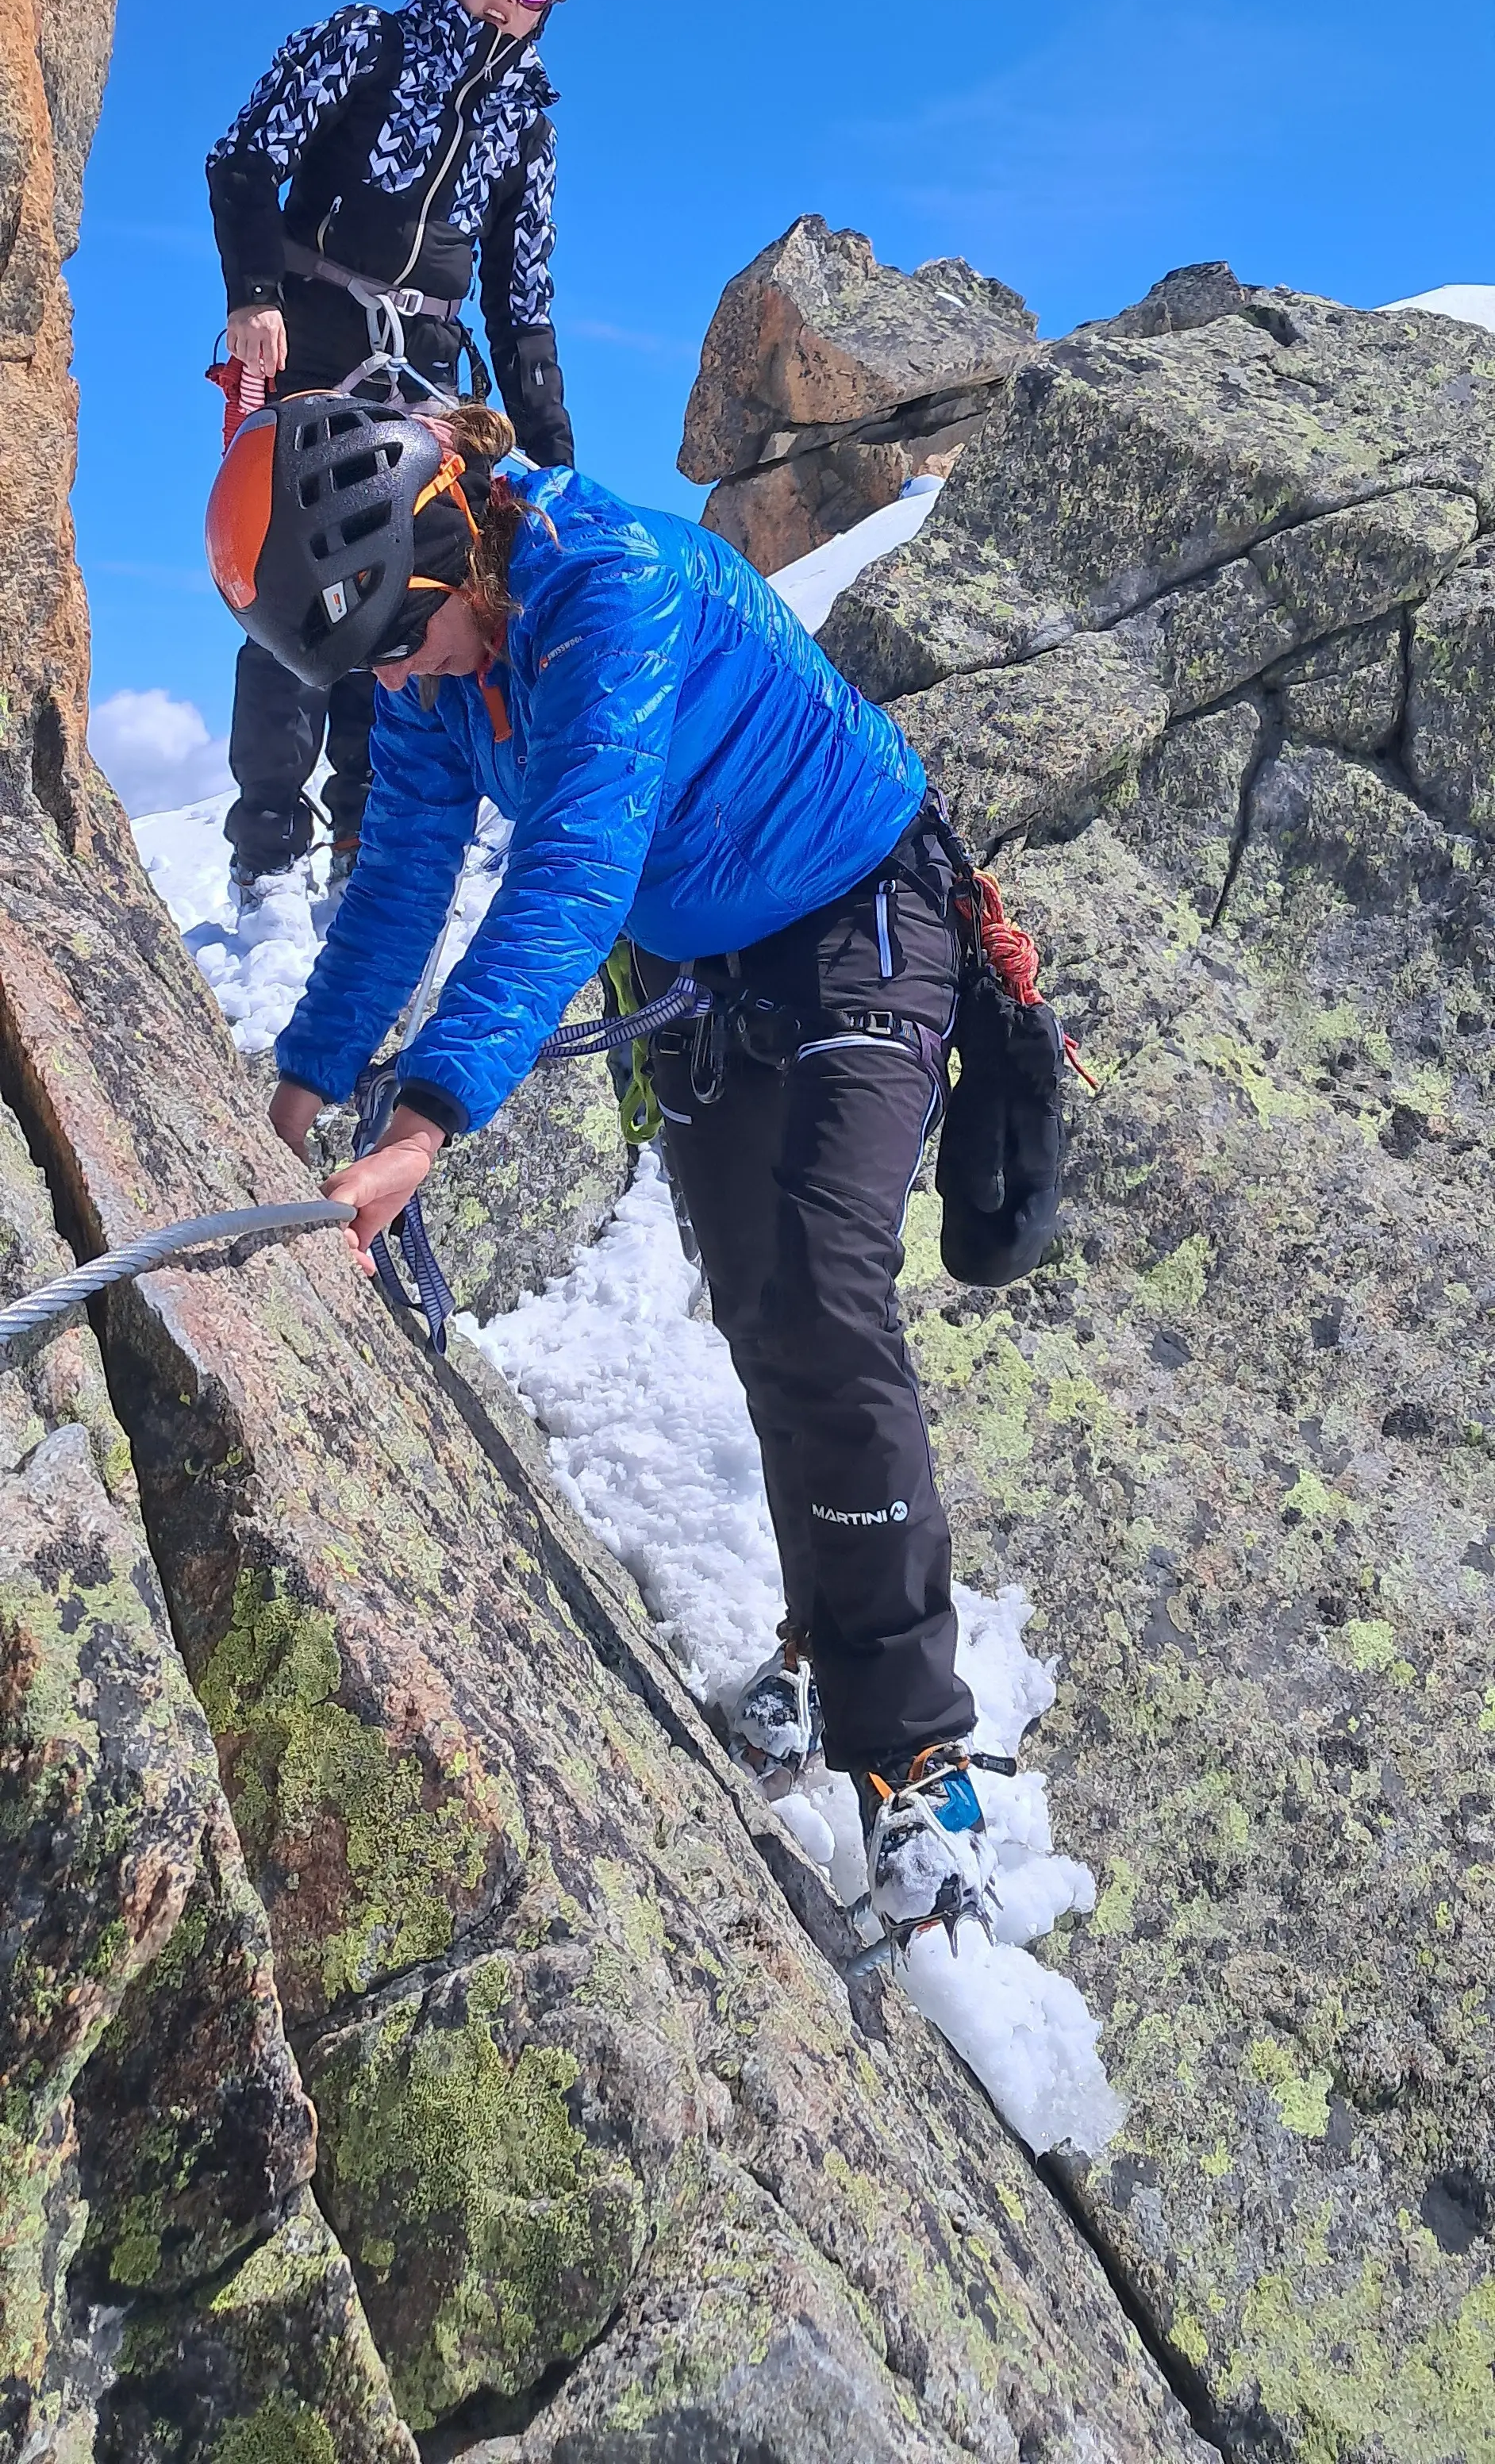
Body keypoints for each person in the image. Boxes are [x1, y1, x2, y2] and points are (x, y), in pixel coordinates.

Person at [202, 385, 1014, 1952]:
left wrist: (426, 1123)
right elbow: (404, 876)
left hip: (860, 921)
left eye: (394, 639)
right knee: (769, 1316)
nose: (394, 679)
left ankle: (916, 1760)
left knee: (824, 1301)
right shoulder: (444, 665)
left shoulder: (610, 586)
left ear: (450, 545)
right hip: (710, 966)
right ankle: (825, 1646)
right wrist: (306, 1089)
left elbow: (575, 861)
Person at [205, 0, 582, 921]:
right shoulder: (364, 45)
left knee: (416, 598)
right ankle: (268, 853)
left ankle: (371, 845)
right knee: (292, 576)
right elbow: (243, 159)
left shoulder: (530, 128)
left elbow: (523, 295)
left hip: (428, 359)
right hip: (313, 326)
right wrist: (254, 295)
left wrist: (551, 448)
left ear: (552, 6)